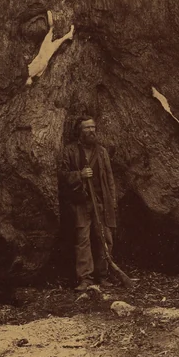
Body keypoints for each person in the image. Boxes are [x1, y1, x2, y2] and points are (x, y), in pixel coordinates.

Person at [59, 117, 118, 291]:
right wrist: (80, 175)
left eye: (93, 127)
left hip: (100, 202)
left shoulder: (102, 152)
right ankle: (85, 279)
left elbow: (110, 178)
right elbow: (61, 175)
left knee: (105, 239)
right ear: (79, 131)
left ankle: (103, 276)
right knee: (83, 240)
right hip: (81, 203)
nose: (91, 131)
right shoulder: (70, 151)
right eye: (87, 128)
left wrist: (112, 202)